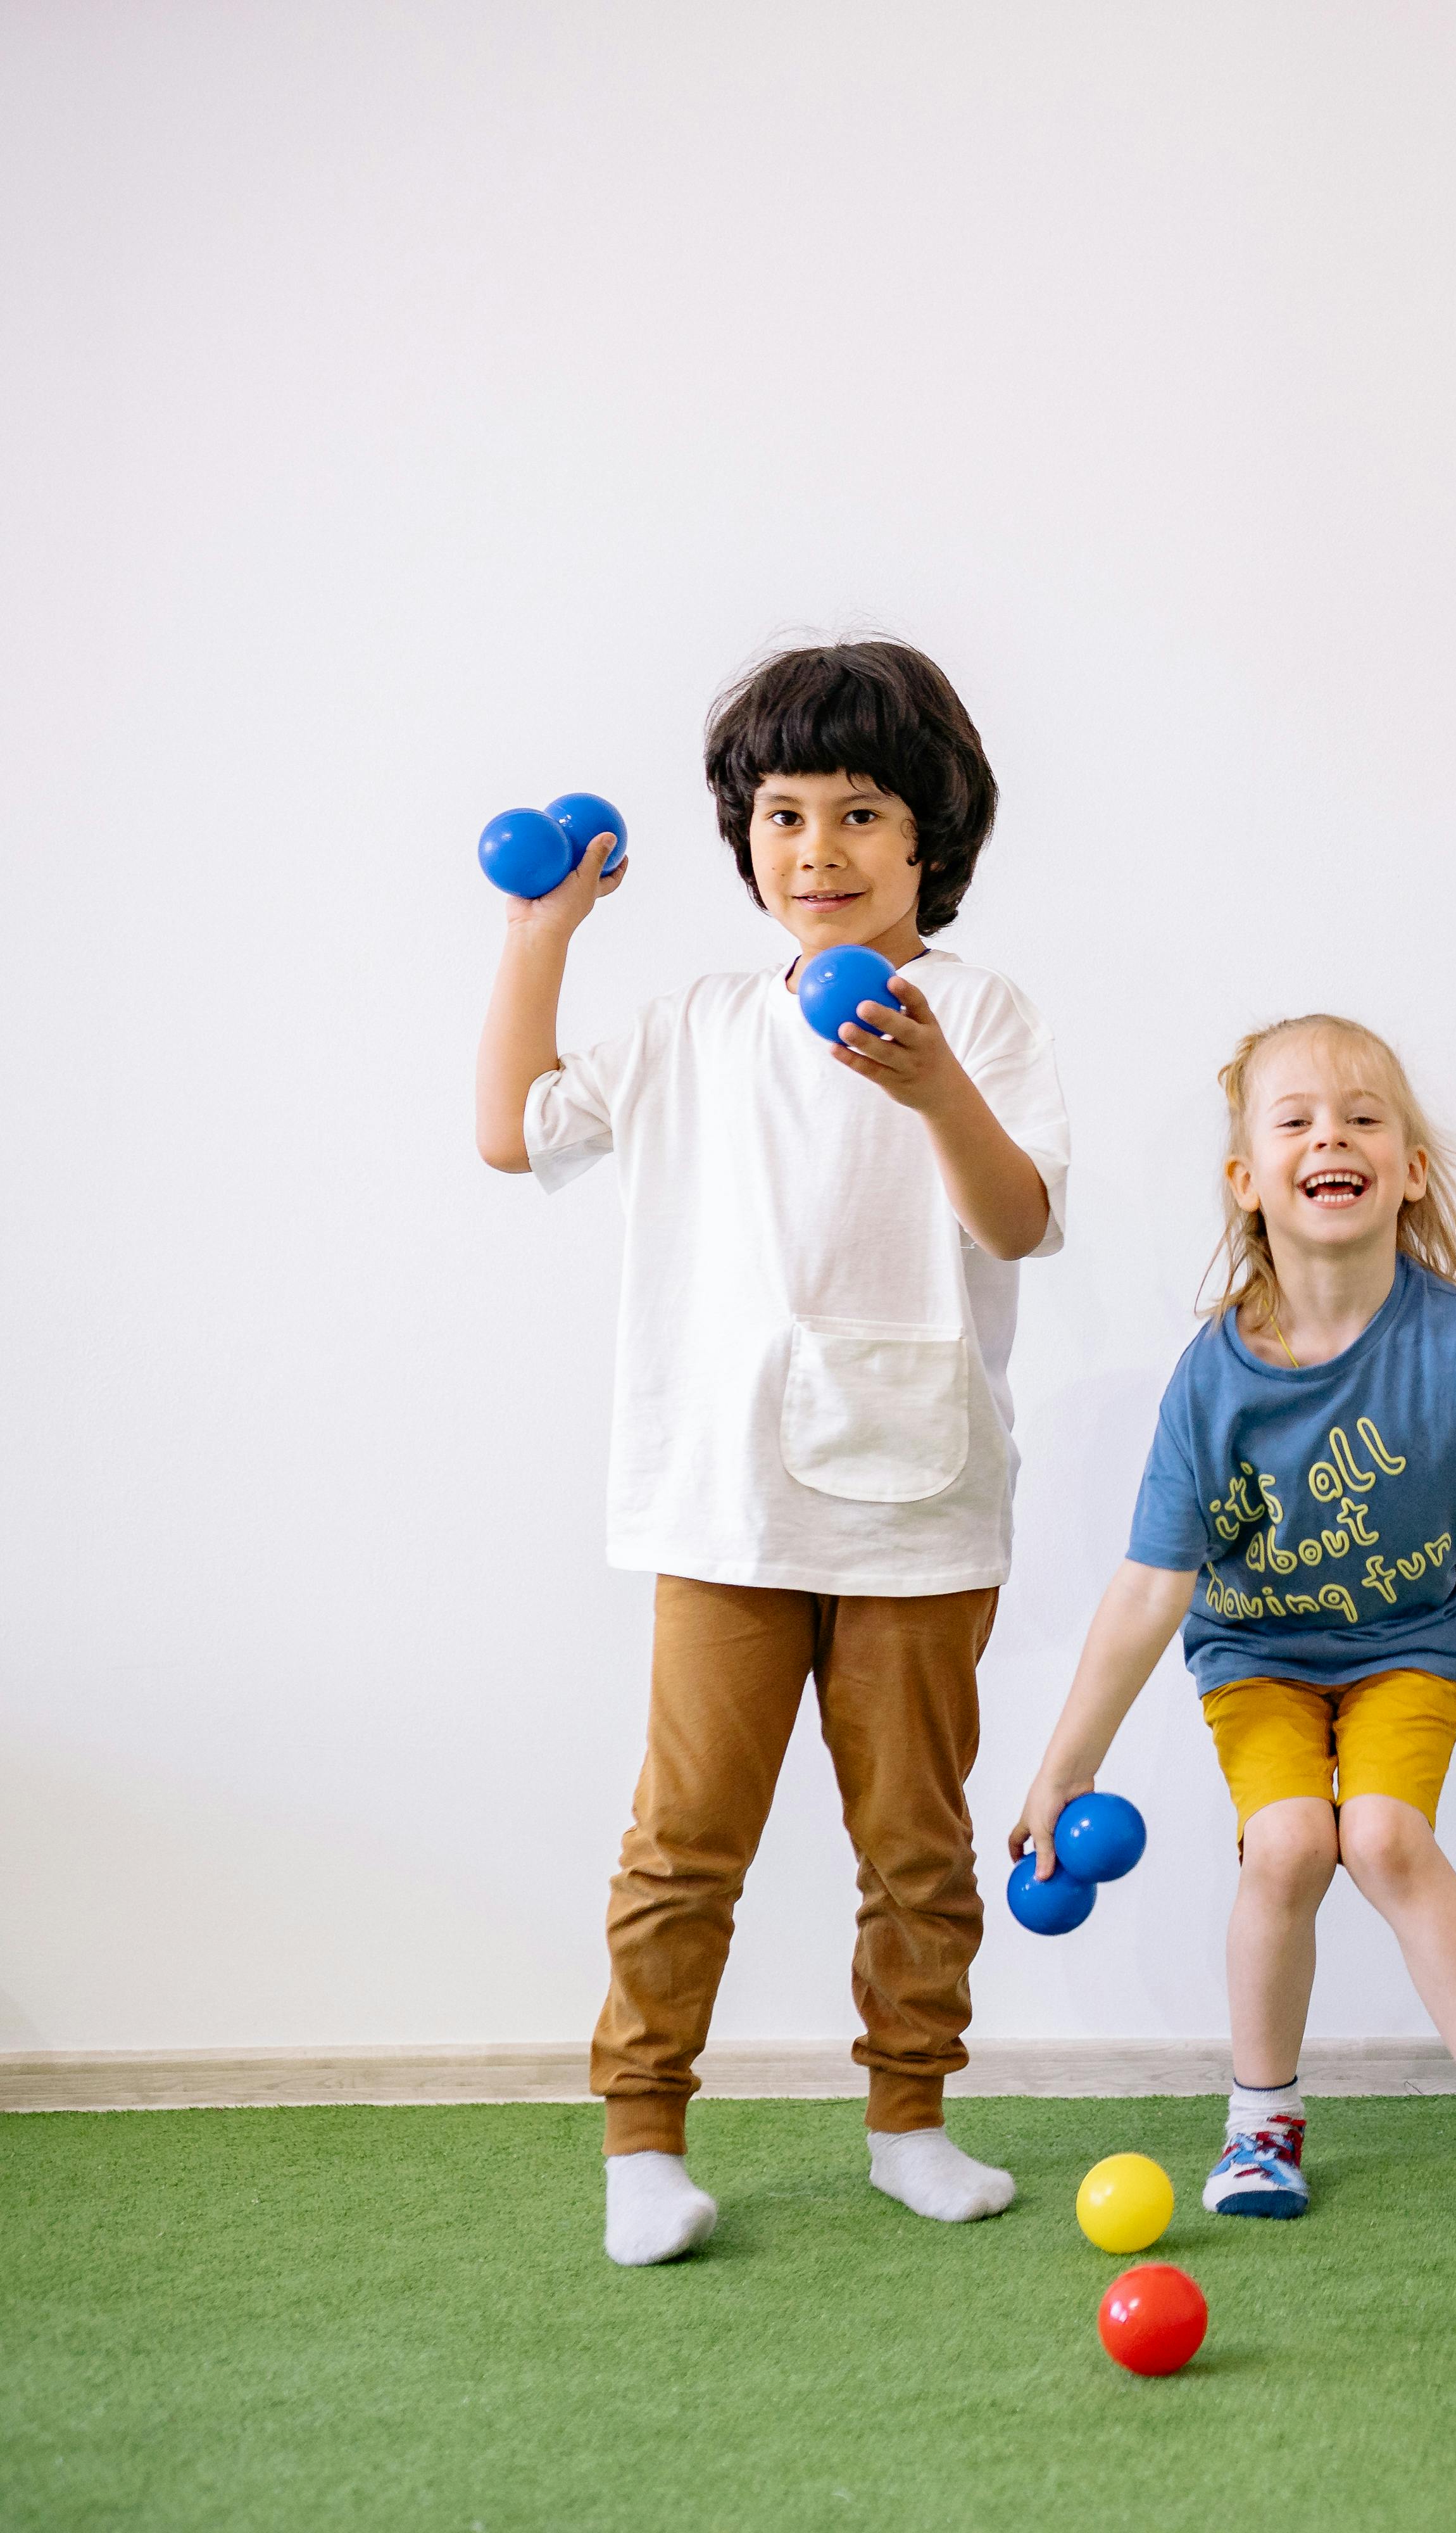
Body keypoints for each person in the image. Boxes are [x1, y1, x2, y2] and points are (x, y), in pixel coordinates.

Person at [477, 640, 1066, 2266]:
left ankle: (909, 2120)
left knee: (917, 1842)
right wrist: (546, 930)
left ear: (930, 837)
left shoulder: (984, 1017)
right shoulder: (690, 1026)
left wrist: (934, 1080)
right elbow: (511, 1124)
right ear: (744, 837)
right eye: (786, 813)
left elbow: (1019, 1217)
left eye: (863, 813)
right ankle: (642, 2141)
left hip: (924, 1505)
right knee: (686, 1839)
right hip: (723, 1503)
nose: (820, 851)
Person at [1013, 1014, 1456, 2220]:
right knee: (1291, 1845)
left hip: (1410, 1646)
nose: (1330, 1135)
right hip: (1259, 1657)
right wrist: (1060, 1767)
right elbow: (1152, 1587)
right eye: (1294, 1120)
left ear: (1409, 1170)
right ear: (1248, 1183)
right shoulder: (1214, 1375)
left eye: (1362, 1116)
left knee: (1386, 1841)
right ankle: (1260, 2130)